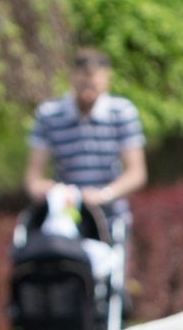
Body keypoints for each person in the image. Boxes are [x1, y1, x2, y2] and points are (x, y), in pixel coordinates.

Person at [25, 47, 147, 236]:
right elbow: (33, 175)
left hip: (110, 218)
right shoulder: (49, 114)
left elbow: (136, 173)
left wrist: (103, 194)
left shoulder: (122, 112)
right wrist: (41, 188)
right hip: (65, 218)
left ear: (107, 79)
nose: (88, 89)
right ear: (72, 77)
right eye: (83, 82)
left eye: (94, 83)